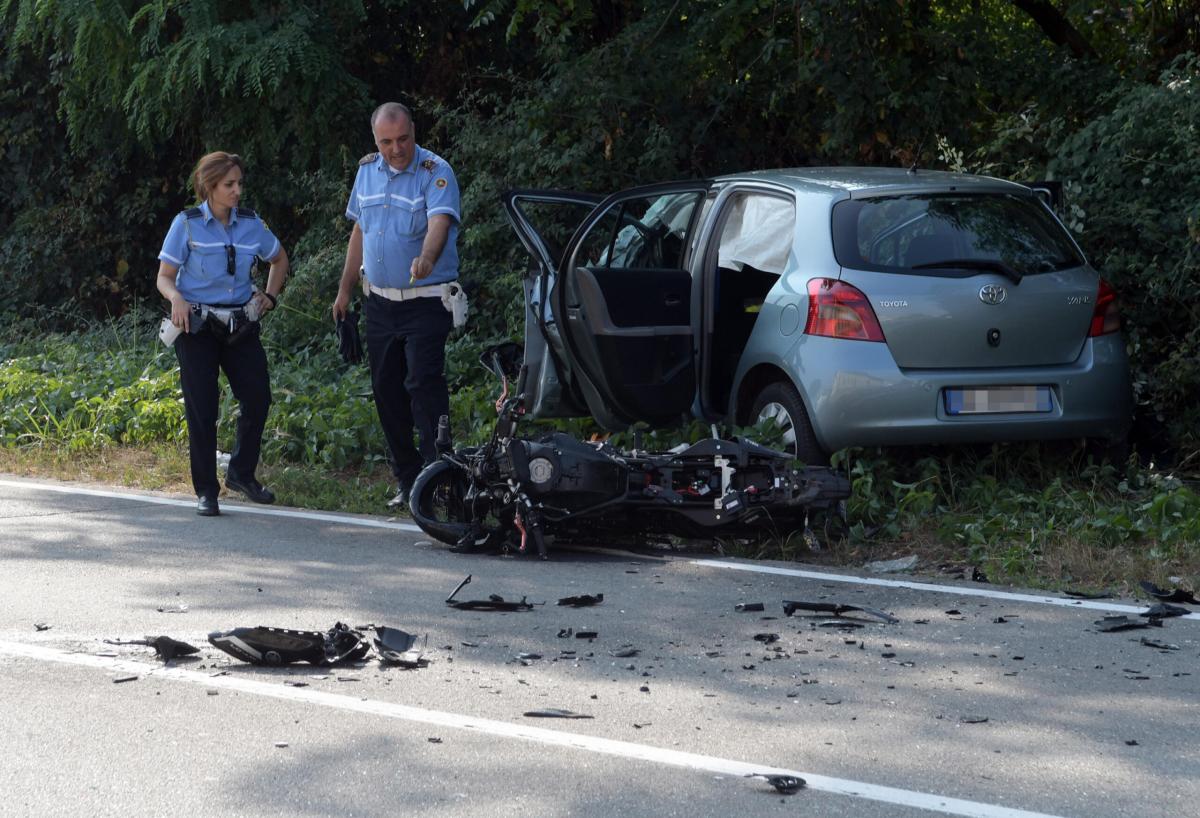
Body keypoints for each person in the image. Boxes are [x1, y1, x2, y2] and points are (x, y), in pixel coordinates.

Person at [332, 102, 461, 509]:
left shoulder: (435, 172)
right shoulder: (367, 170)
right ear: (375, 141)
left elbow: (440, 224)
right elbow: (359, 231)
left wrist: (426, 257)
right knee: (386, 391)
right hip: (380, 305)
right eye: (386, 142)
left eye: (403, 139)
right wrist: (344, 289)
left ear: (414, 131)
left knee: (423, 387)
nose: (396, 149)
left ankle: (438, 479)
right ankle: (407, 481)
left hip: (426, 302)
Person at [156, 151, 289, 516]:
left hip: (240, 323)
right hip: (196, 325)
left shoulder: (251, 224)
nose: (237, 191)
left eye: (239, 184)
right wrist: (177, 298)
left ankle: (242, 474)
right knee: (202, 406)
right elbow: (164, 277)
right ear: (208, 186)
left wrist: (270, 297)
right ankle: (206, 490)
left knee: (258, 397)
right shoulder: (186, 224)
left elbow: (280, 260)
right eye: (229, 185)